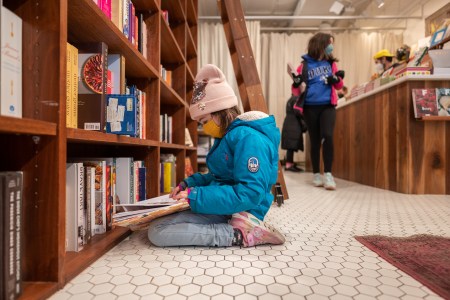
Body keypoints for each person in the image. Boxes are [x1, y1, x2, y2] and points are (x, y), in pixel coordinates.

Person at [147, 64, 285, 247]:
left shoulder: (249, 138)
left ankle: (237, 234)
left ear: (221, 110)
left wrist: (195, 196)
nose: (204, 127)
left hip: (241, 211)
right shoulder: (229, 136)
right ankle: (234, 231)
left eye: (204, 121)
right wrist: (190, 184)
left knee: (158, 231)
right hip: (226, 204)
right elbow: (219, 176)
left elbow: (250, 193)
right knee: (160, 223)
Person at [291, 32, 344, 190]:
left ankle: (328, 174)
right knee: (314, 140)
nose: (331, 47)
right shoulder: (304, 65)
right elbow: (295, 91)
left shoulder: (331, 63)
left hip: (328, 105)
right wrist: (296, 82)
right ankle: (316, 174)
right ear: (321, 44)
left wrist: (336, 79)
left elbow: (339, 86)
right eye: (329, 43)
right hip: (309, 107)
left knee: (328, 136)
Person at [281, 95, 307, 172]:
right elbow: (298, 111)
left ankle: (290, 163)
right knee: (291, 145)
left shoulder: (291, 99)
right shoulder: (296, 99)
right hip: (293, 124)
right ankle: (289, 165)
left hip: (289, 123)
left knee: (291, 145)